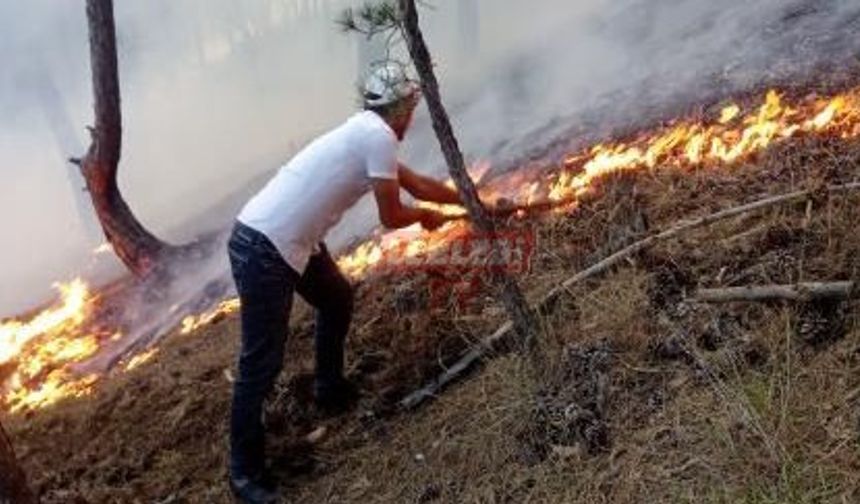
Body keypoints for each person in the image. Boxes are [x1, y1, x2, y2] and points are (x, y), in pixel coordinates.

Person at [226, 62, 463, 504]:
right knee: (260, 361)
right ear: (400, 106)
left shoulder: (367, 132)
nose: (412, 115)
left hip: (287, 238)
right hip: (265, 247)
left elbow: (419, 185)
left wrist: (468, 197)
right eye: (411, 106)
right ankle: (244, 474)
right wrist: (425, 218)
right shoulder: (377, 136)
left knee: (336, 298)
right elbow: (393, 216)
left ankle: (329, 388)